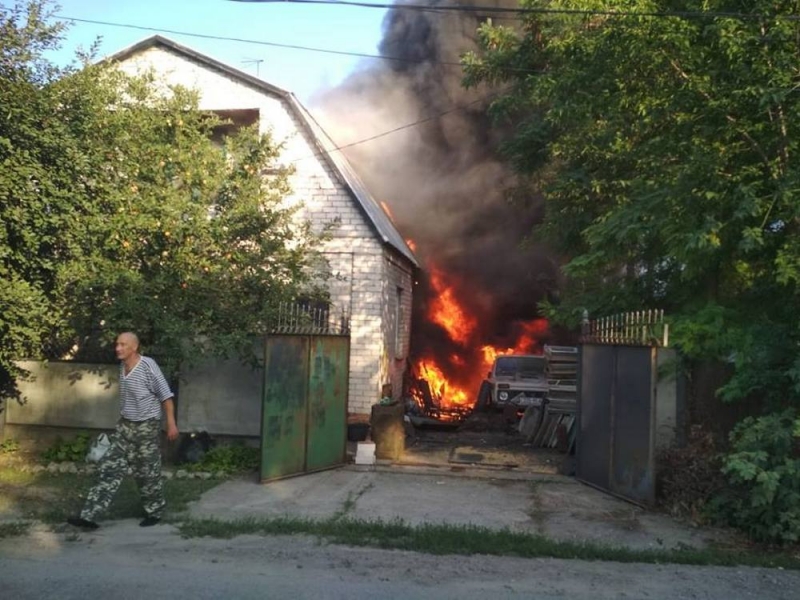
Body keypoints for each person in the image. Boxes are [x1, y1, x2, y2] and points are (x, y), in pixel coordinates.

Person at [67, 332, 179, 530]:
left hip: (146, 427)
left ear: (134, 347)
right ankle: (89, 516)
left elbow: (166, 396)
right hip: (125, 426)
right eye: (117, 344)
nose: (117, 348)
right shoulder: (122, 367)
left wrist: (171, 424)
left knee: (146, 472)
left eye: (123, 345)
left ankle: (155, 511)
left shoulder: (148, 366)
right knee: (109, 468)